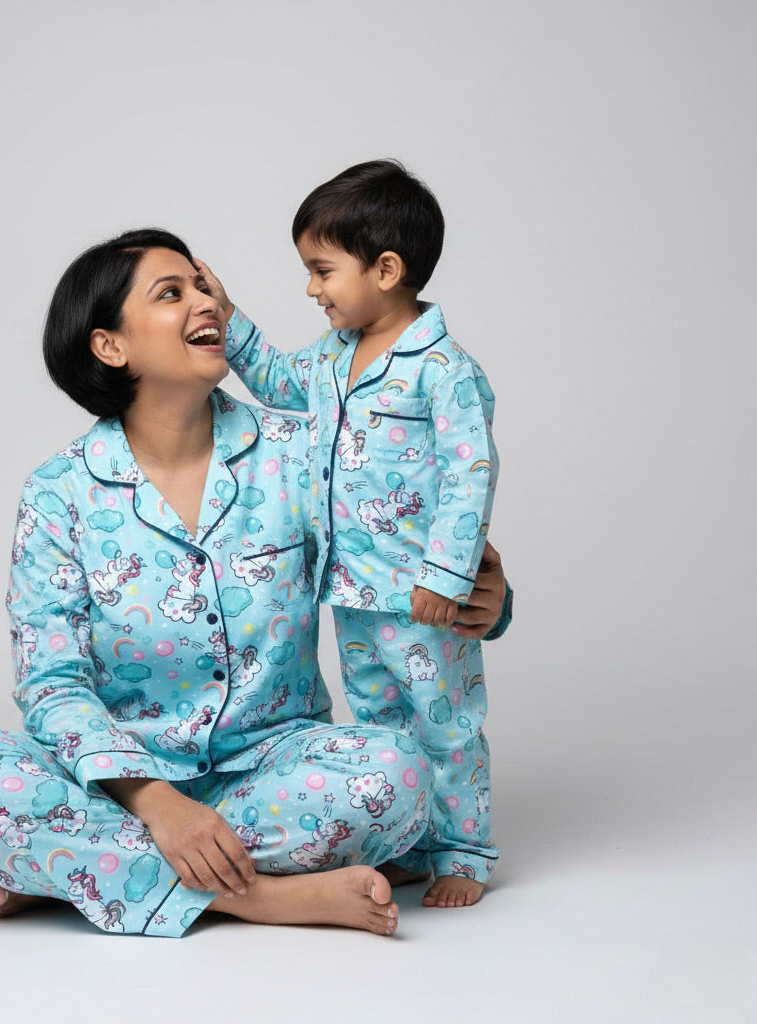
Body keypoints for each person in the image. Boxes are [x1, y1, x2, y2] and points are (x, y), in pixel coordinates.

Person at [0, 228, 510, 937]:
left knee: (398, 773)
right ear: (109, 345)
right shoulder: (59, 493)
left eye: (201, 285)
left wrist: (486, 600)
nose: (205, 301)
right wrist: (157, 802)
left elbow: (394, 554)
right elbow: (51, 683)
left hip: (274, 769)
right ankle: (260, 898)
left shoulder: (299, 453)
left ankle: (78, 874)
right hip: (122, 786)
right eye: (171, 292)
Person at [205, 160, 506, 907]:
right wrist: (232, 315)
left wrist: (446, 575)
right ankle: (404, 840)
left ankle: (462, 851)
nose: (312, 288)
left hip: (421, 594)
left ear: (386, 269)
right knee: (381, 728)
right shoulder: (332, 357)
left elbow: (472, 474)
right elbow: (274, 381)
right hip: (351, 589)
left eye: (321, 270)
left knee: (446, 726)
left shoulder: (443, 370)